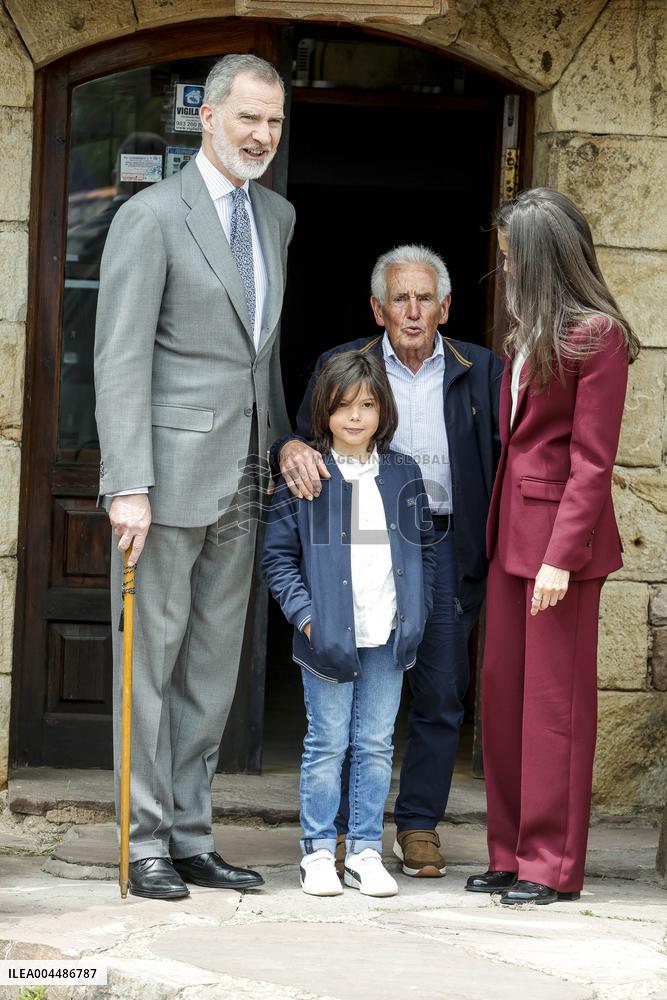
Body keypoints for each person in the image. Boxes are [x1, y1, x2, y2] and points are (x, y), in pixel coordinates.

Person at [94, 53, 295, 900]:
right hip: (165, 481)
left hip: (245, 480)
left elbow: (260, 353)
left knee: (211, 672)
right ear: (206, 117)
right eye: (247, 117)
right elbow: (120, 356)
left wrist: (282, 442)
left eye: (273, 121)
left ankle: (190, 836)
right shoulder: (150, 215)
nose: (261, 135)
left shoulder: (276, 215)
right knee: (150, 668)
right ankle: (142, 843)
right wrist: (126, 483)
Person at [273, 245, 503, 878]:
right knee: (350, 698)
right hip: (359, 544)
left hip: (444, 542)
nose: (413, 310)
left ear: (446, 307)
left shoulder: (481, 368)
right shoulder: (345, 365)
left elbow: (507, 456)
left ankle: (419, 824)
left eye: (425, 298)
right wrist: (286, 448)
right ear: (378, 308)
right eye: (400, 298)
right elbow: (302, 439)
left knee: (441, 690)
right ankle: (346, 835)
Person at [466, 188, 640, 906]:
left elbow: (592, 462)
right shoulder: (524, 336)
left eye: (511, 259)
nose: (504, 270)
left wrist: (559, 559)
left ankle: (549, 863)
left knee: (552, 710)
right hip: (509, 539)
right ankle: (508, 853)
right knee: (504, 702)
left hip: (558, 554)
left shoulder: (599, 337)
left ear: (541, 258)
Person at [263, 351, 435, 897]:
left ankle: (364, 850)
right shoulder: (307, 472)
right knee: (327, 743)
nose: (355, 417)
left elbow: (425, 551)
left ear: (383, 410)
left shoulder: (404, 473)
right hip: (327, 636)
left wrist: (418, 611)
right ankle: (318, 850)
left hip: (388, 633)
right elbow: (278, 559)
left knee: (376, 743)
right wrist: (308, 620)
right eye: (342, 406)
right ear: (324, 411)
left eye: (366, 405)